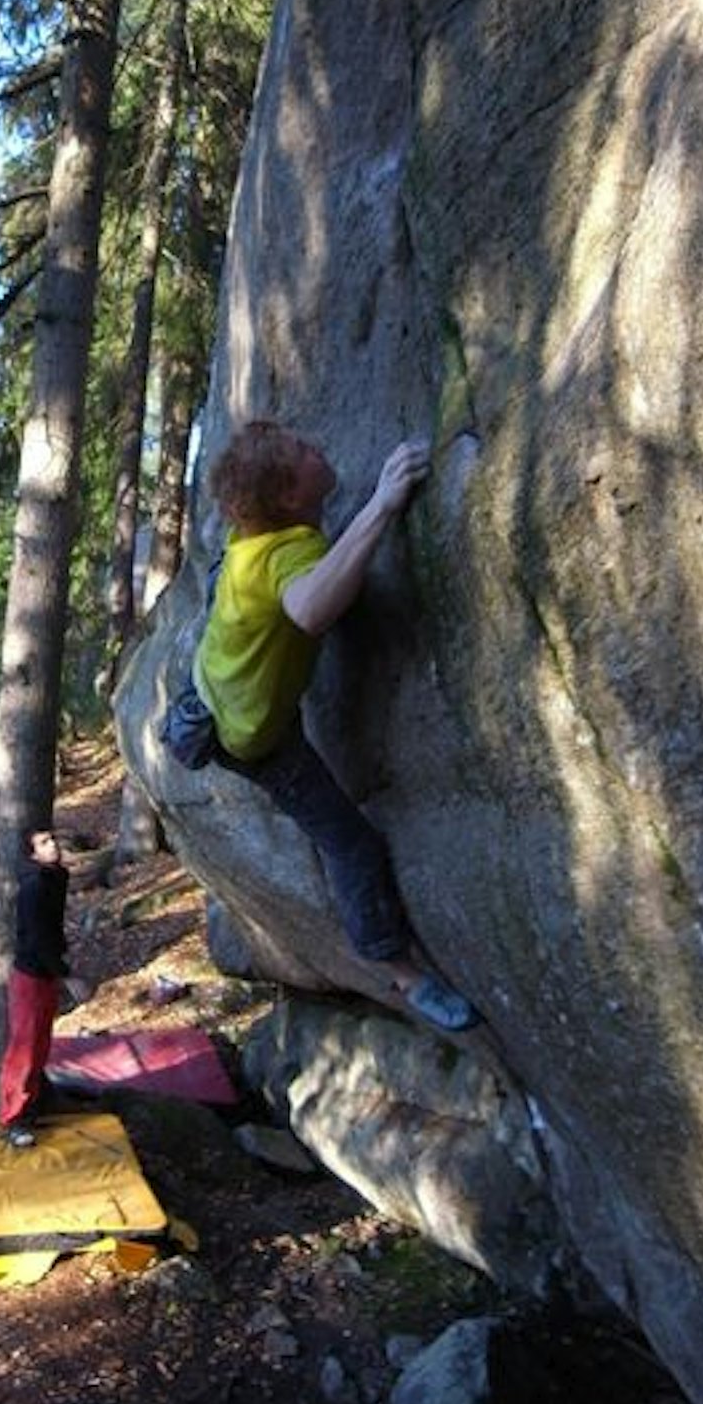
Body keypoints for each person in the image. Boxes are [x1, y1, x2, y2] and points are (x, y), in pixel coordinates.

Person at [193, 418, 480, 1034]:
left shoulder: (255, 537)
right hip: (255, 739)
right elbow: (310, 607)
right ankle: (402, 973)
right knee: (350, 843)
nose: (315, 444)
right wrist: (382, 503)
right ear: (292, 498)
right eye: (301, 451)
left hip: (218, 690)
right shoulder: (287, 556)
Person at [0, 828, 71, 1148]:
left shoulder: (55, 877)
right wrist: (67, 974)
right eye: (44, 843)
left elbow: (52, 931)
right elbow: (37, 937)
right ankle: (13, 1118)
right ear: (32, 854)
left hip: (45, 974)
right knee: (24, 1050)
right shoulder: (34, 885)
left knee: (40, 1044)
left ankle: (36, 1103)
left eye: (53, 839)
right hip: (29, 976)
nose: (53, 845)